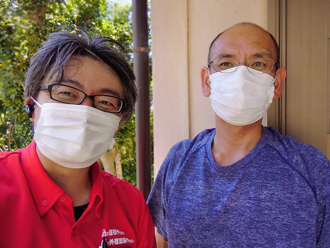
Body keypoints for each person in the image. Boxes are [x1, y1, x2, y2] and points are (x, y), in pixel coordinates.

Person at [147, 22, 330, 247]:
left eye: (258, 63)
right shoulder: (178, 161)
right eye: (226, 63)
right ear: (207, 81)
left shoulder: (313, 168)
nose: (241, 75)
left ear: (277, 82)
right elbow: (159, 241)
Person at [0, 29, 156, 248]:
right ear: (32, 107)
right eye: (67, 93)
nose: (85, 112)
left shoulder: (131, 204)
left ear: (117, 124)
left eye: (105, 102)